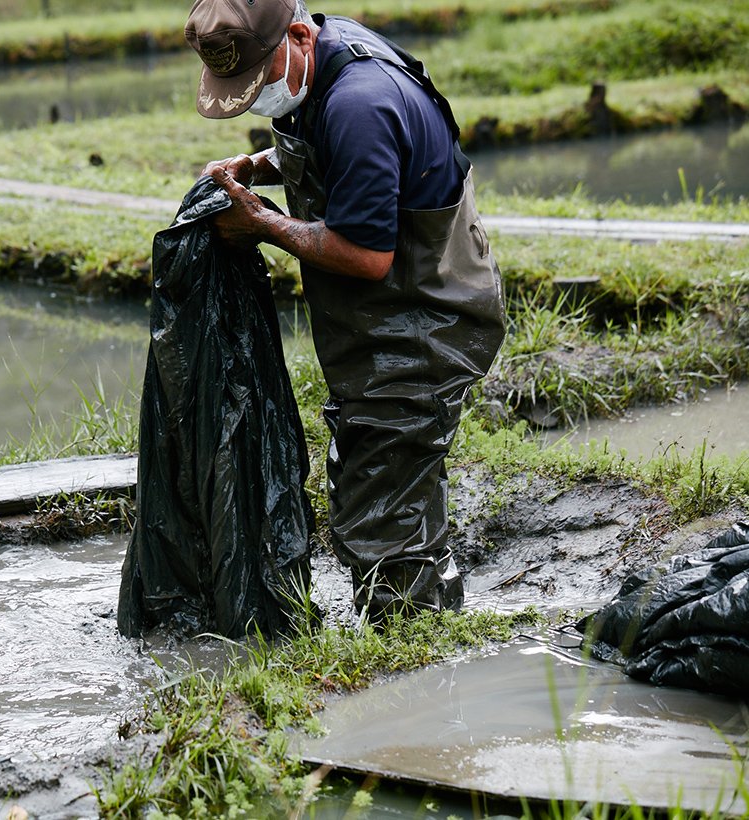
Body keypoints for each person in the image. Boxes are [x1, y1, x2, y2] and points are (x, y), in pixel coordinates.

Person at [185, 0, 506, 622]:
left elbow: (366, 256)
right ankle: (435, 606)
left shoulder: (360, 101)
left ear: (298, 34)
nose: (259, 101)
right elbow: (332, 150)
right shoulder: (322, 59)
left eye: (259, 83)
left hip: (426, 319)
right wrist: (257, 166)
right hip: (393, 314)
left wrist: (262, 224)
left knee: (376, 502)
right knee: (396, 472)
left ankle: (407, 651)